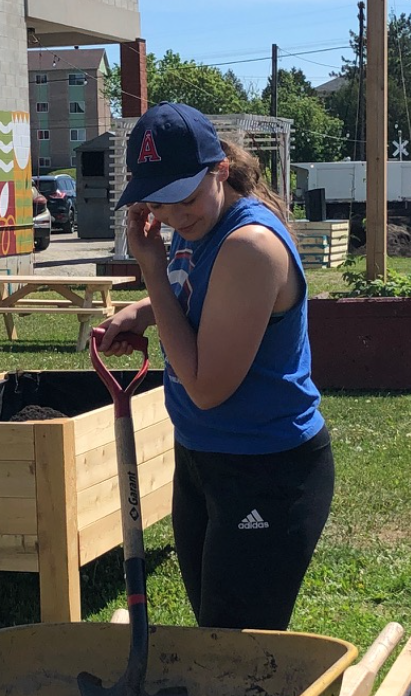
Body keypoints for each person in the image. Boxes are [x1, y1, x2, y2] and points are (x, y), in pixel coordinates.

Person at [96, 104, 332, 632]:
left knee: (236, 652)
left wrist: (151, 270)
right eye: (159, 199)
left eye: (185, 196)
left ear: (219, 170)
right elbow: (200, 301)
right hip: (204, 459)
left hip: (267, 469)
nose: (175, 214)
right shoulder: (200, 222)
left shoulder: (249, 245)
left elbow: (206, 387)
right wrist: (143, 311)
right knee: (215, 639)